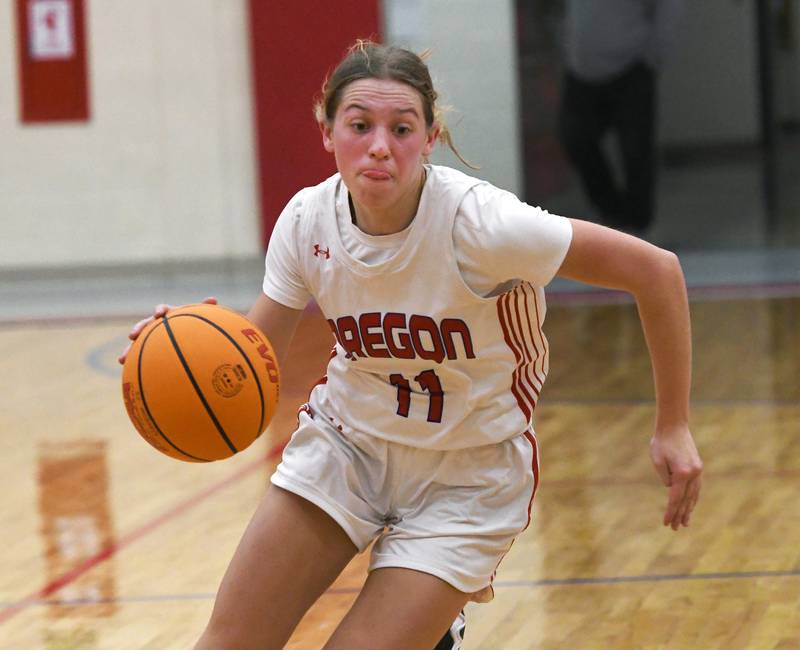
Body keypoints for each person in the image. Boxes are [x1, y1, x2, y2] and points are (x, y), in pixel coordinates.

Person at [119, 41, 703, 650]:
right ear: (328, 131)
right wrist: (183, 344)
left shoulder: (483, 226)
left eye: (401, 129)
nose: (379, 146)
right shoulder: (306, 222)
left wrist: (674, 424)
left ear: (429, 138)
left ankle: (435, 621)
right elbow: (252, 360)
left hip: (468, 474)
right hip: (348, 447)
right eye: (359, 125)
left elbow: (656, 271)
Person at [558, 0, 684, 235]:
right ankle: (611, 212)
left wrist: (654, 54)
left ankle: (637, 226)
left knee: (635, 150)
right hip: (580, 68)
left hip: (631, 64)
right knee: (574, 137)